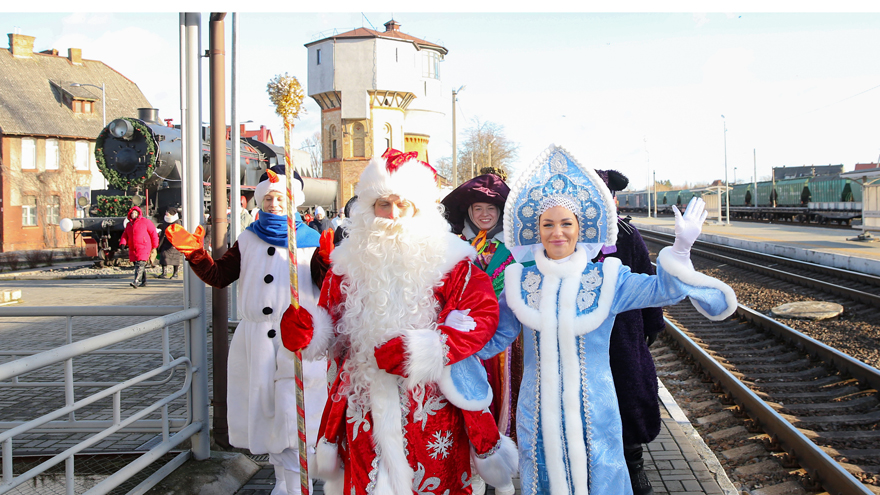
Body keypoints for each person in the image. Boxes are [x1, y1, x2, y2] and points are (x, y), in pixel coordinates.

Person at [478, 145, 737, 495]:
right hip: (537, 412)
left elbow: (665, 290)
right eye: (548, 224)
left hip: (595, 411)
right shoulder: (520, 283)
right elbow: (494, 337)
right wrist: (448, 345)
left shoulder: (609, 280)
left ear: (580, 228)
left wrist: (679, 251)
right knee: (541, 478)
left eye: (566, 223)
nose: (557, 233)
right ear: (536, 230)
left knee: (602, 476)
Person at [280, 149, 518, 495]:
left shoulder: (452, 261)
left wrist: (420, 351)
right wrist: (308, 331)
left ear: (419, 210)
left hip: (434, 405)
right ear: (368, 209)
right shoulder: (347, 264)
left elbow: (481, 316)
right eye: (383, 204)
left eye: (403, 205)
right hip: (363, 405)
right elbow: (329, 319)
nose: (392, 215)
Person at [165, 165, 327, 495]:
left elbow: (328, 287)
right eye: (268, 197)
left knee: (295, 417)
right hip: (255, 342)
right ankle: (282, 482)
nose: (274, 203)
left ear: (295, 200)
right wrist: (197, 255)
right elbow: (220, 276)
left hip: (296, 341)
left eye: (281, 197)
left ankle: (298, 487)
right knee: (268, 420)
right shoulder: (249, 239)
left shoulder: (309, 241)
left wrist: (327, 261)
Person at [441, 174, 520, 495]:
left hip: (503, 347)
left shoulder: (515, 250)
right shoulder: (454, 247)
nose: (484, 214)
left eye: (491, 208)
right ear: (468, 211)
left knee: (500, 401)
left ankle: (499, 469)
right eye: (477, 208)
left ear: (500, 211)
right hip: (461, 343)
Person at [594, 169, 667, 495]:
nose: (605, 201)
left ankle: (634, 465)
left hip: (624, 333)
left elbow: (647, 277)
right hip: (587, 337)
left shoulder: (627, 235)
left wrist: (652, 324)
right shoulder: (572, 231)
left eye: (608, 195)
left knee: (628, 395)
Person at [118, 205, 159, 288]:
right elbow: (125, 235)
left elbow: (153, 234)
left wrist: (155, 246)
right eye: (132, 213)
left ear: (138, 213)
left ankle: (136, 281)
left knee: (139, 264)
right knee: (139, 264)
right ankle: (144, 281)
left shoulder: (146, 222)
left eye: (135, 213)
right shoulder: (129, 225)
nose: (133, 214)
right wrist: (122, 243)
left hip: (144, 246)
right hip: (133, 247)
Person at [157, 206, 183, 279]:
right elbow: (163, 231)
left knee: (175, 258)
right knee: (163, 256)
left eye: (168, 212)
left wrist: (177, 243)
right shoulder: (165, 221)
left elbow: (179, 233)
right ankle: (164, 272)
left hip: (174, 242)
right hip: (166, 241)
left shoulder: (177, 222)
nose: (166, 213)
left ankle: (175, 273)